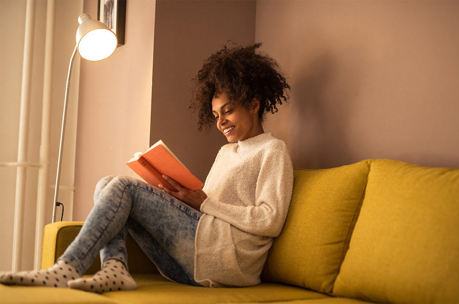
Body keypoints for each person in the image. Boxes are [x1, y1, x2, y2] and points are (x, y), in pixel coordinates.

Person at [0, 43, 293, 292]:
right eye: (216, 114)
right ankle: (115, 268)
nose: (221, 122)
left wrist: (205, 203)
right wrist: (179, 196)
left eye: (227, 111)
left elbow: (270, 220)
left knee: (123, 187)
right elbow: (208, 208)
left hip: (229, 263)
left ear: (254, 104)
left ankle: (67, 267)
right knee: (106, 184)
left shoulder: (272, 150)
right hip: (193, 261)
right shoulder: (227, 152)